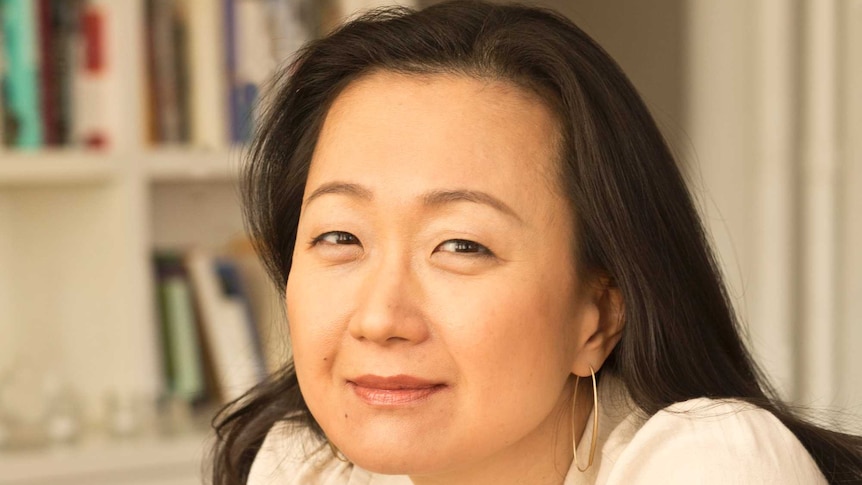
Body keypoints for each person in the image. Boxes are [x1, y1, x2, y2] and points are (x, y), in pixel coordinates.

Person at [211, 1, 862, 484]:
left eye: (461, 245)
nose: (381, 317)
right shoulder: (303, 464)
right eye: (340, 235)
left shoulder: (713, 462)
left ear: (598, 315)